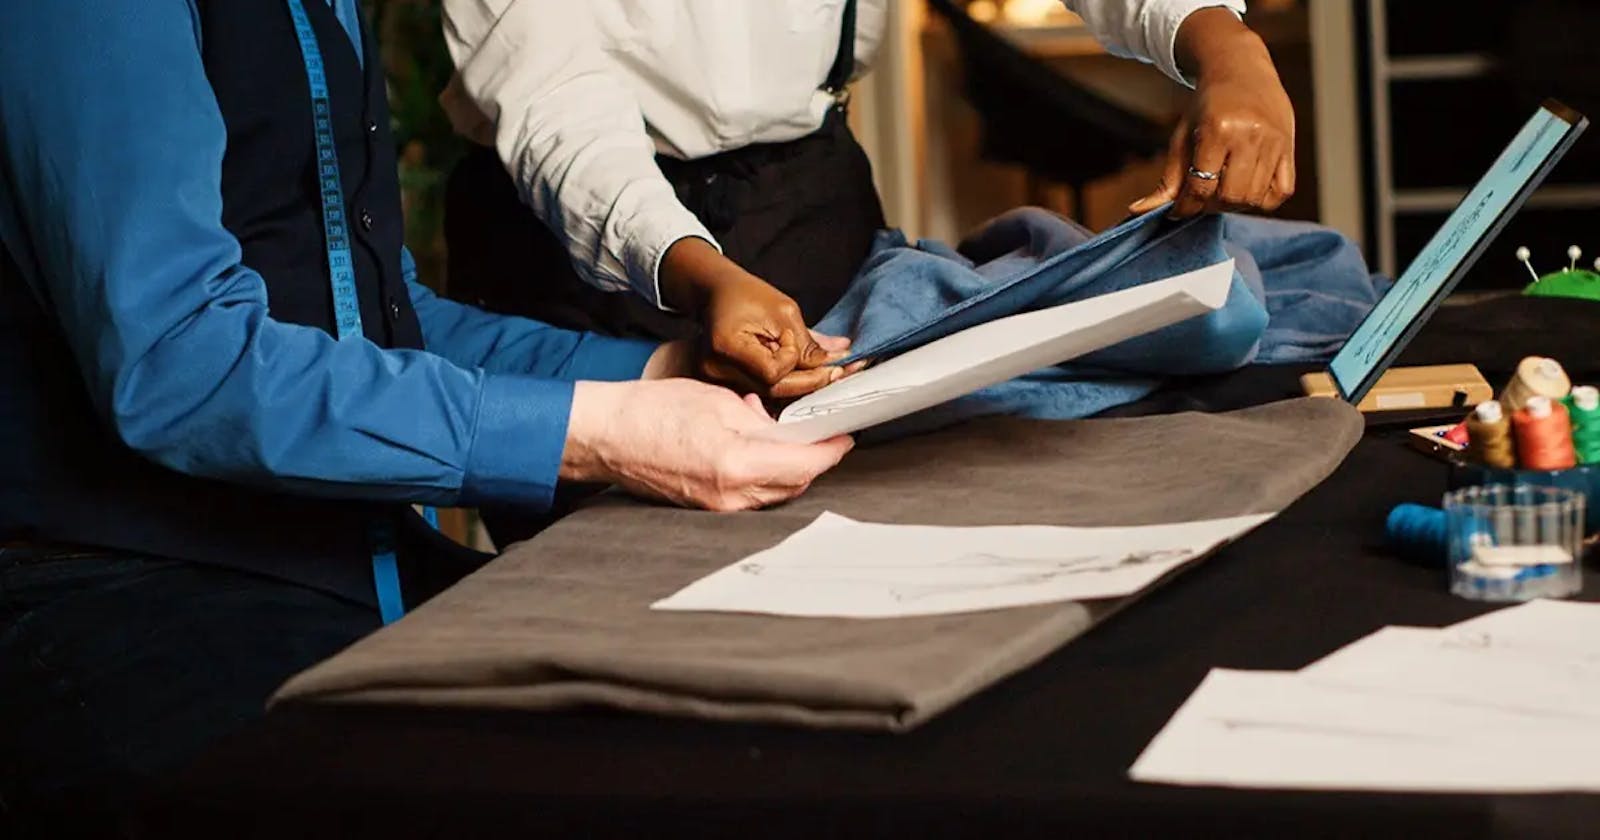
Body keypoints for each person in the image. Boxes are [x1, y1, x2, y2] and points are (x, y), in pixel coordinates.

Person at [0, 0, 851, 832]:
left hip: (342, 562)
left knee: (744, 709)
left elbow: (391, 317)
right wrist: (601, 434)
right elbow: (181, 363)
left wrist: (667, 372)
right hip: (125, 589)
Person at [439, 0, 1297, 396]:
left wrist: (1228, 49)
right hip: (586, 257)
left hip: (814, 205)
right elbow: (559, 115)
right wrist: (692, 267)